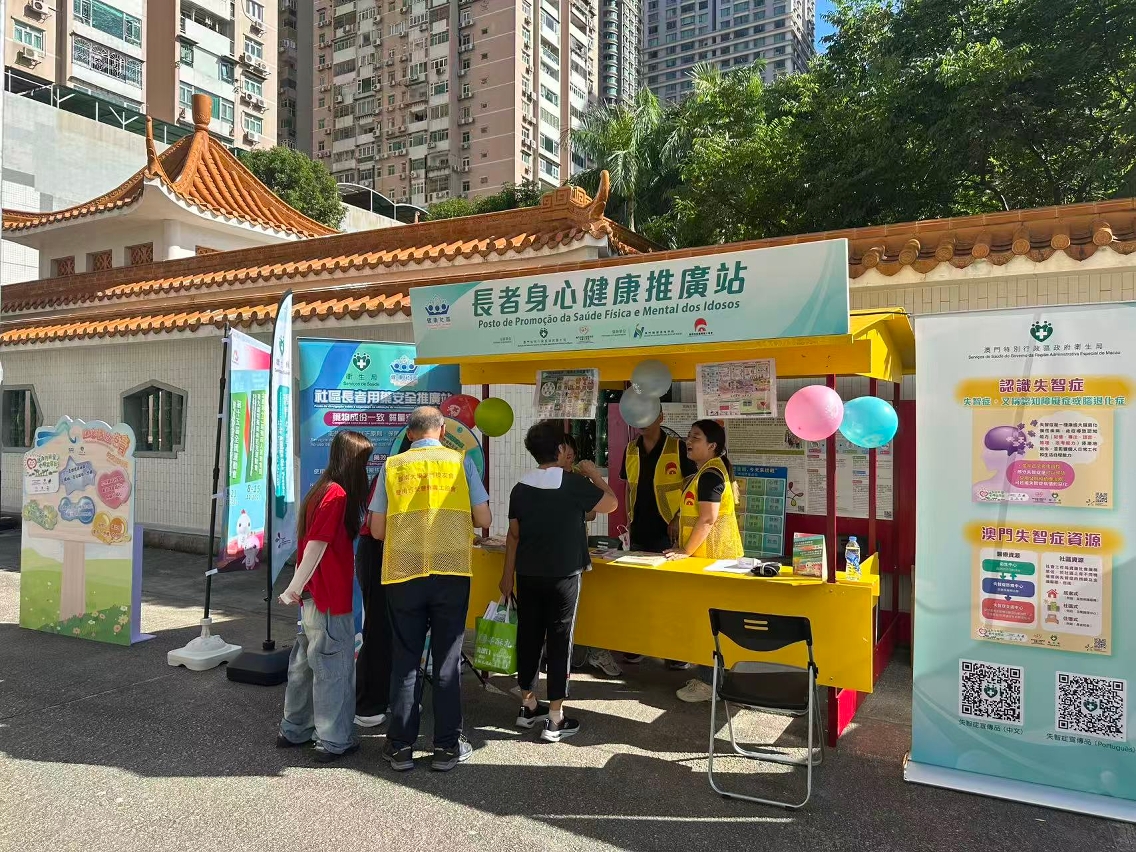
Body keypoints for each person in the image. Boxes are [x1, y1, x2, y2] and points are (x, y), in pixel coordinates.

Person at [370, 406, 491, 772]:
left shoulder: (393, 466)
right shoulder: (460, 462)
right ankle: (446, 746)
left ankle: (400, 747)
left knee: (406, 659)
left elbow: (377, 530)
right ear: (441, 431)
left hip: (403, 572)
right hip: (451, 571)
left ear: (410, 434)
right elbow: (483, 518)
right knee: (447, 660)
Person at [499, 421, 618, 742]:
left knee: (528, 636)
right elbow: (611, 504)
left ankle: (527, 706)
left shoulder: (520, 488)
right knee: (559, 640)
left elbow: (514, 535)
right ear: (561, 449)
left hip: (527, 575)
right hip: (564, 575)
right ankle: (555, 718)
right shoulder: (573, 484)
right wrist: (594, 474)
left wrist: (506, 576)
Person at [277, 429, 374, 762]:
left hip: (313, 596)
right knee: (335, 669)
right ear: (353, 462)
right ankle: (334, 739)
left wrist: (297, 585)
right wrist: (293, 587)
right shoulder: (337, 495)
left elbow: (308, 544)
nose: (367, 468)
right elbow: (317, 546)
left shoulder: (320, 490)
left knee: (304, 665)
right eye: (364, 461)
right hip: (329, 597)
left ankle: (294, 729)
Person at [664, 419, 744, 703]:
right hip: (711, 560)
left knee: (710, 622)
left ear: (712, 446)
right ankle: (711, 678)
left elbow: (708, 519)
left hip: (714, 560)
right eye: (689, 436)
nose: (688, 441)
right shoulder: (708, 472)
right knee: (708, 620)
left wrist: (685, 551)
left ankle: (711, 684)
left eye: (695, 437)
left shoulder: (711, 475)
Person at [619, 411, 697, 671]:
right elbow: (629, 486)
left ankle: (674, 652)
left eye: (648, 416)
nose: (641, 422)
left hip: (669, 531)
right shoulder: (631, 449)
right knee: (638, 593)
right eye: (638, 417)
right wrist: (629, 518)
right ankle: (636, 646)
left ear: (660, 417)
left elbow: (690, 487)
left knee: (670, 593)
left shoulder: (678, 447)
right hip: (639, 530)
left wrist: (678, 516)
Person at [354, 434, 413, 728]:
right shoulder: (393, 471)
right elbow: (377, 527)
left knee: (398, 629)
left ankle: (392, 696)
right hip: (378, 552)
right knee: (378, 628)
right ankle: (368, 704)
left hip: (403, 553)